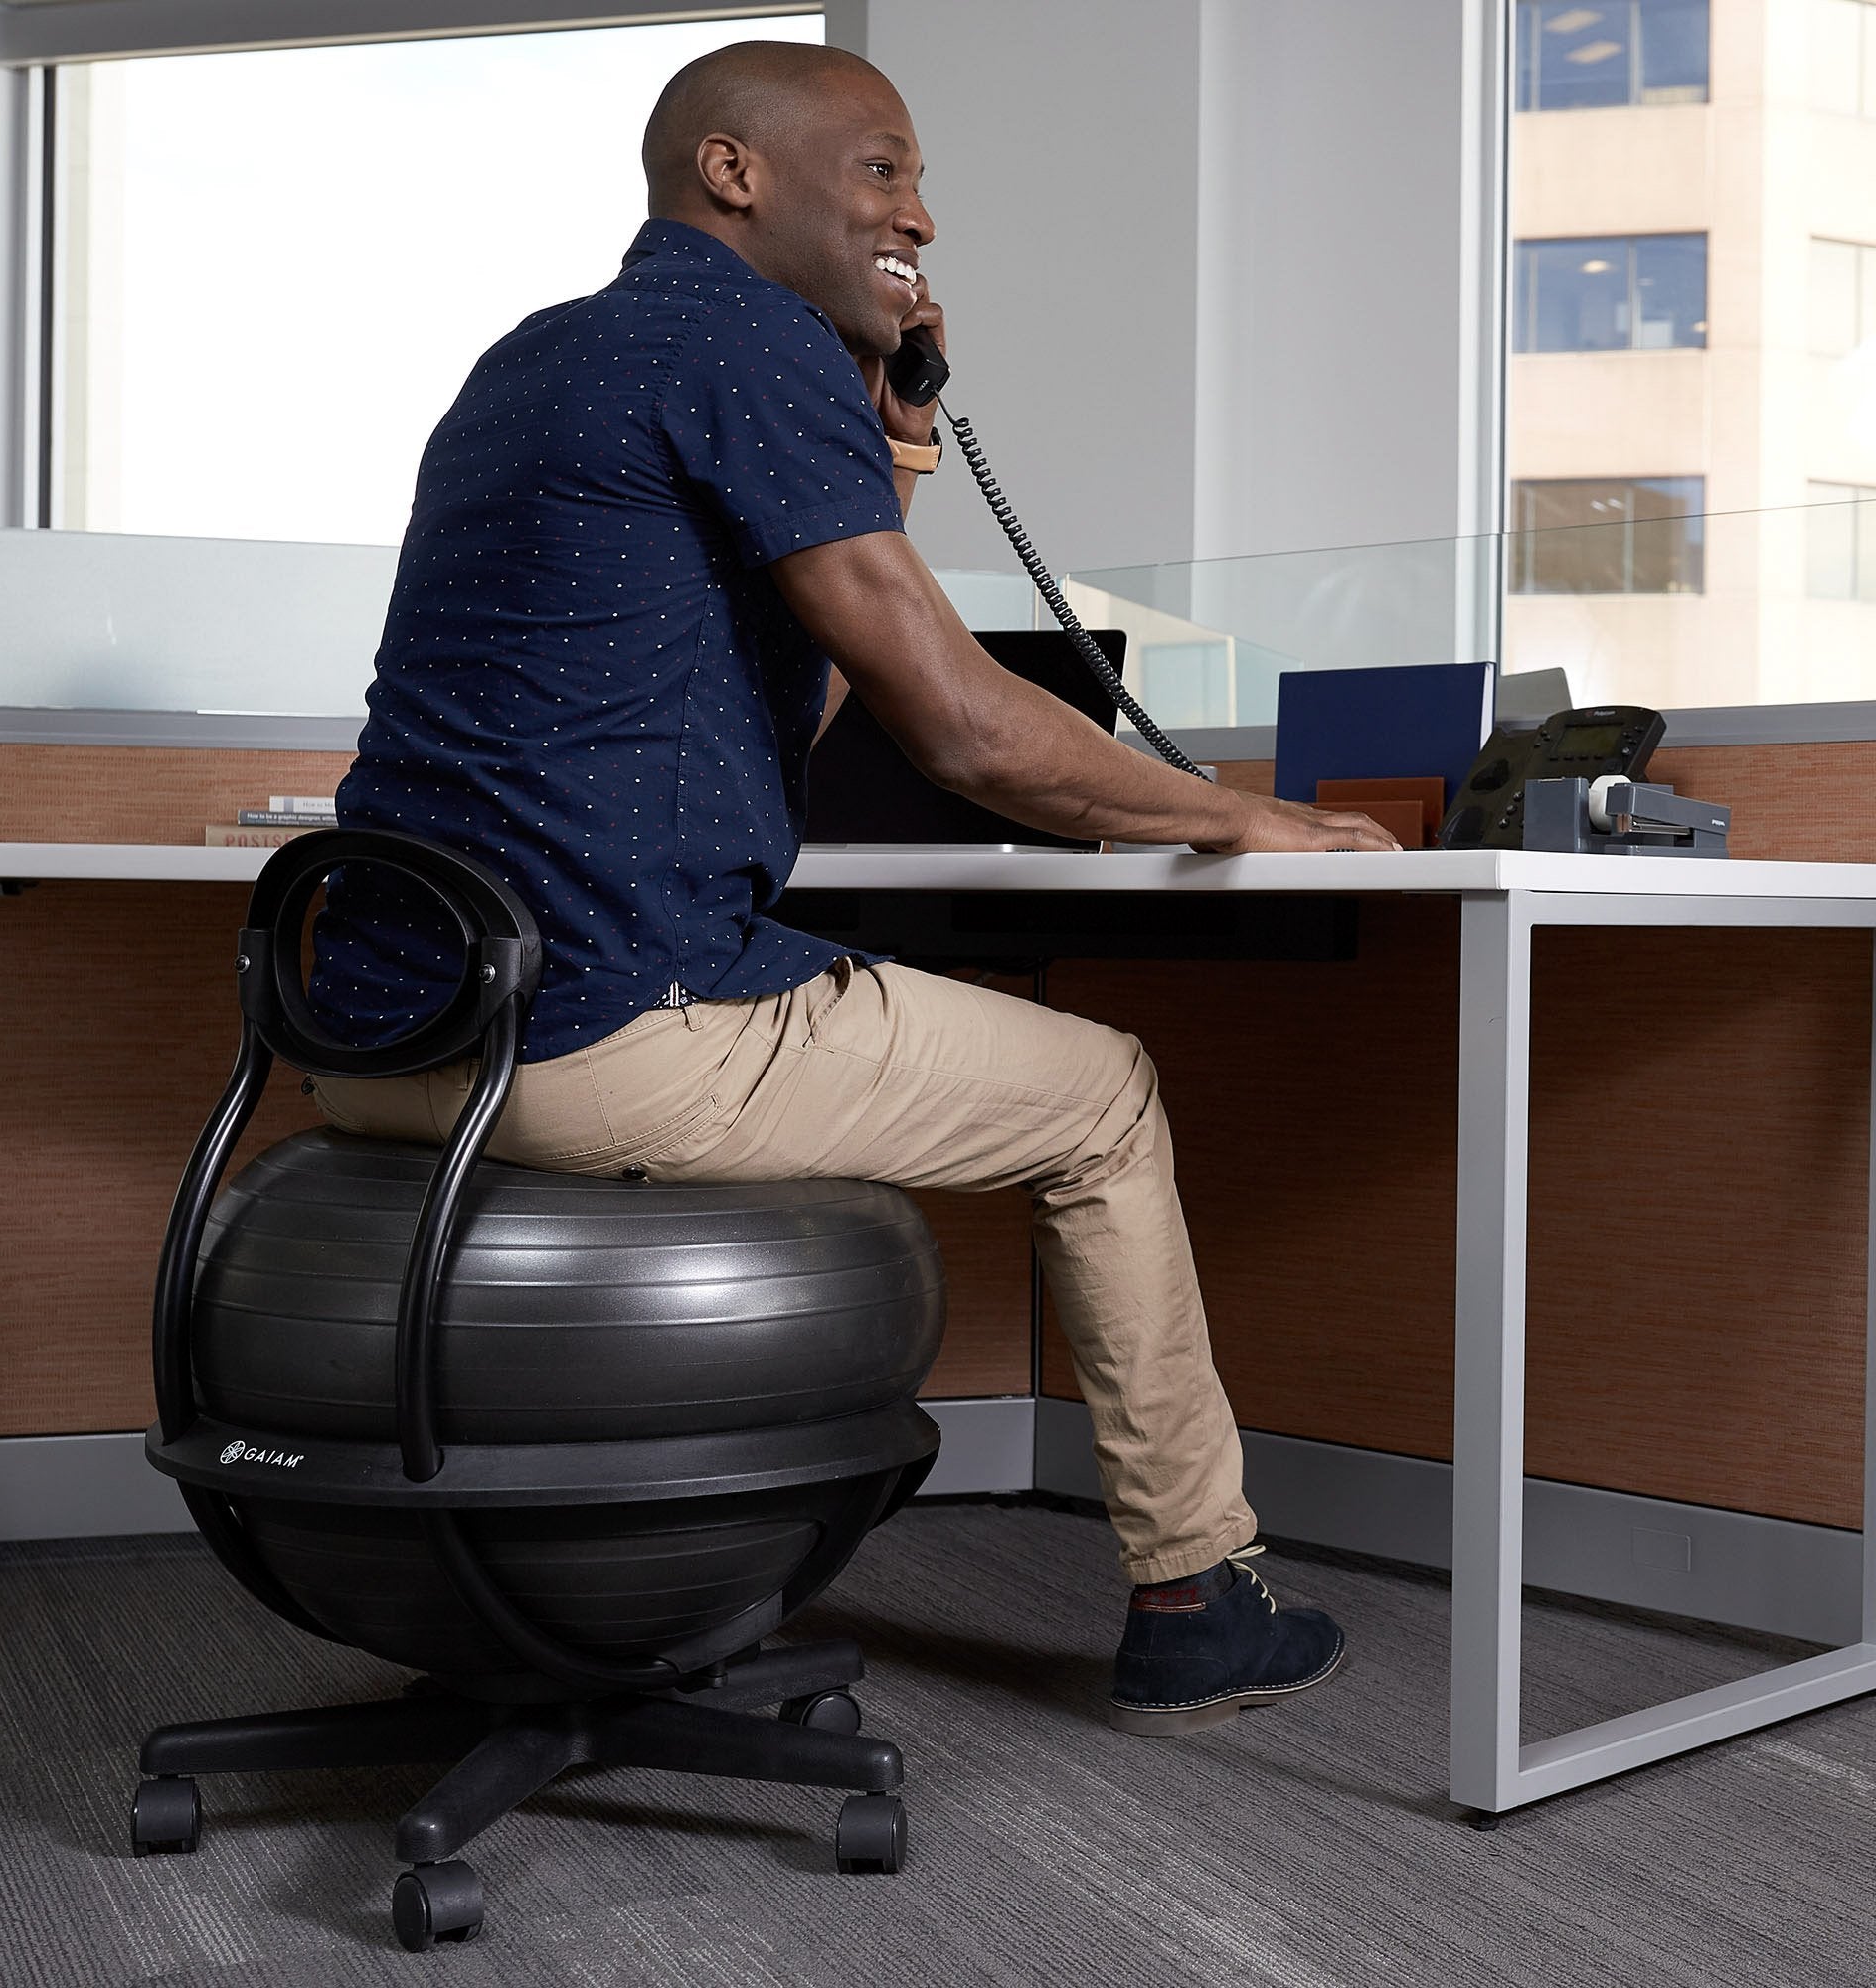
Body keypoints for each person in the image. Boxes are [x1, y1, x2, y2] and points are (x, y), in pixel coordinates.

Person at [308, 38, 1399, 1736]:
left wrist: (888, 459)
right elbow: (965, 731)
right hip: (597, 1026)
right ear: (734, 173)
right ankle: (1197, 1589)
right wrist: (1234, 815)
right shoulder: (745, 336)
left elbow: (788, 702)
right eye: (883, 168)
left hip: (384, 1034)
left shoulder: (536, 356)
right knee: (1104, 1092)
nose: (922, 213)